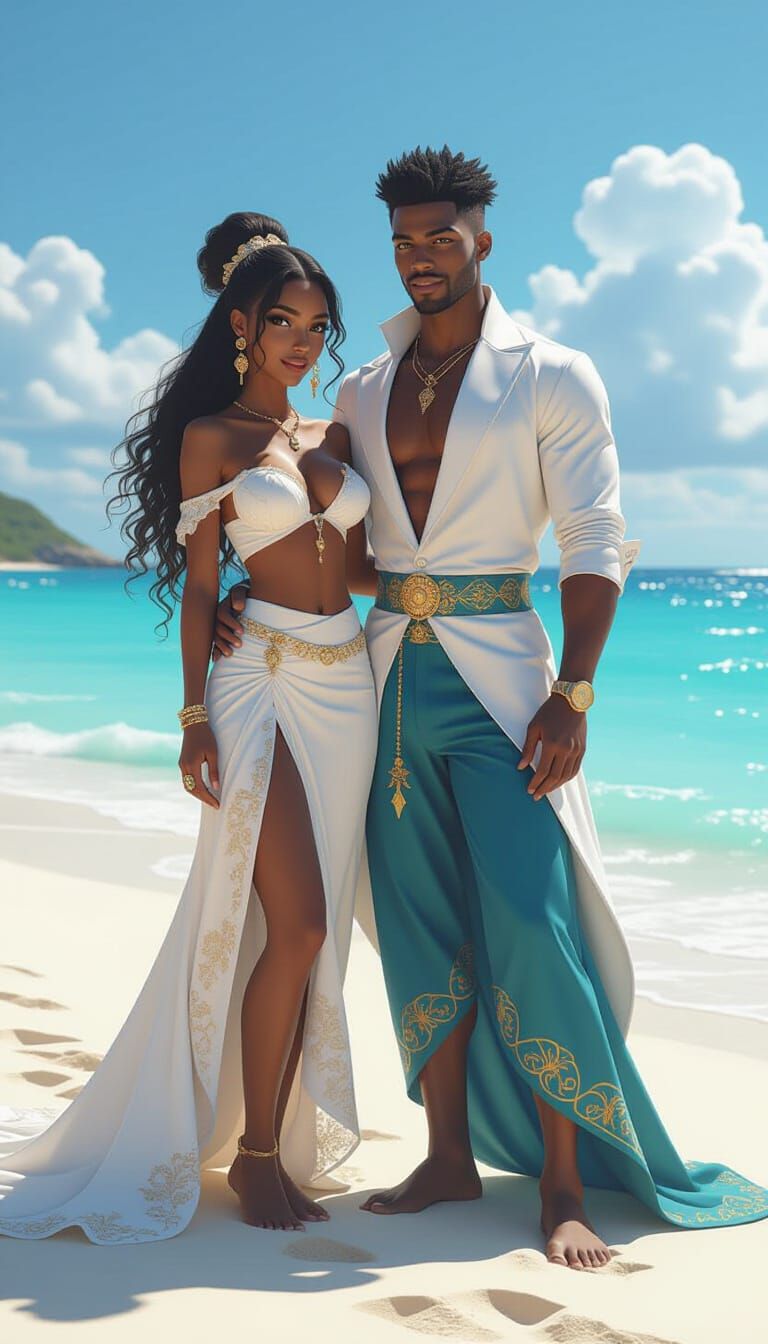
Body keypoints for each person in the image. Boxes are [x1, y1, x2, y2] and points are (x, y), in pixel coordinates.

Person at [214, 150, 768, 1269]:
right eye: (404, 243)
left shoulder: (554, 372)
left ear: (482, 239)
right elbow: (324, 532)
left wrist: (575, 691)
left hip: (507, 682)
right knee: (417, 922)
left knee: (531, 921)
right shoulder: (364, 388)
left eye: (439, 238)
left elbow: (594, 537)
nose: (421, 259)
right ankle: (449, 1153)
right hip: (382, 683)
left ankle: (563, 1184)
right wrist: (245, 589)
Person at [0, 213, 378, 1243]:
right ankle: (257, 1159)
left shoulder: (332, 438)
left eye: (316, 323)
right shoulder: (213, 438)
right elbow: (206, 585)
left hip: (350, 692)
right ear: (242, 327)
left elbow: (362, 574)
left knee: (310, 937)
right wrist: (193, 721)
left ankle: (276, 1144)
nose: (302, 339)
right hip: (258, 690)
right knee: (294, 923)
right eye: (282, 320)